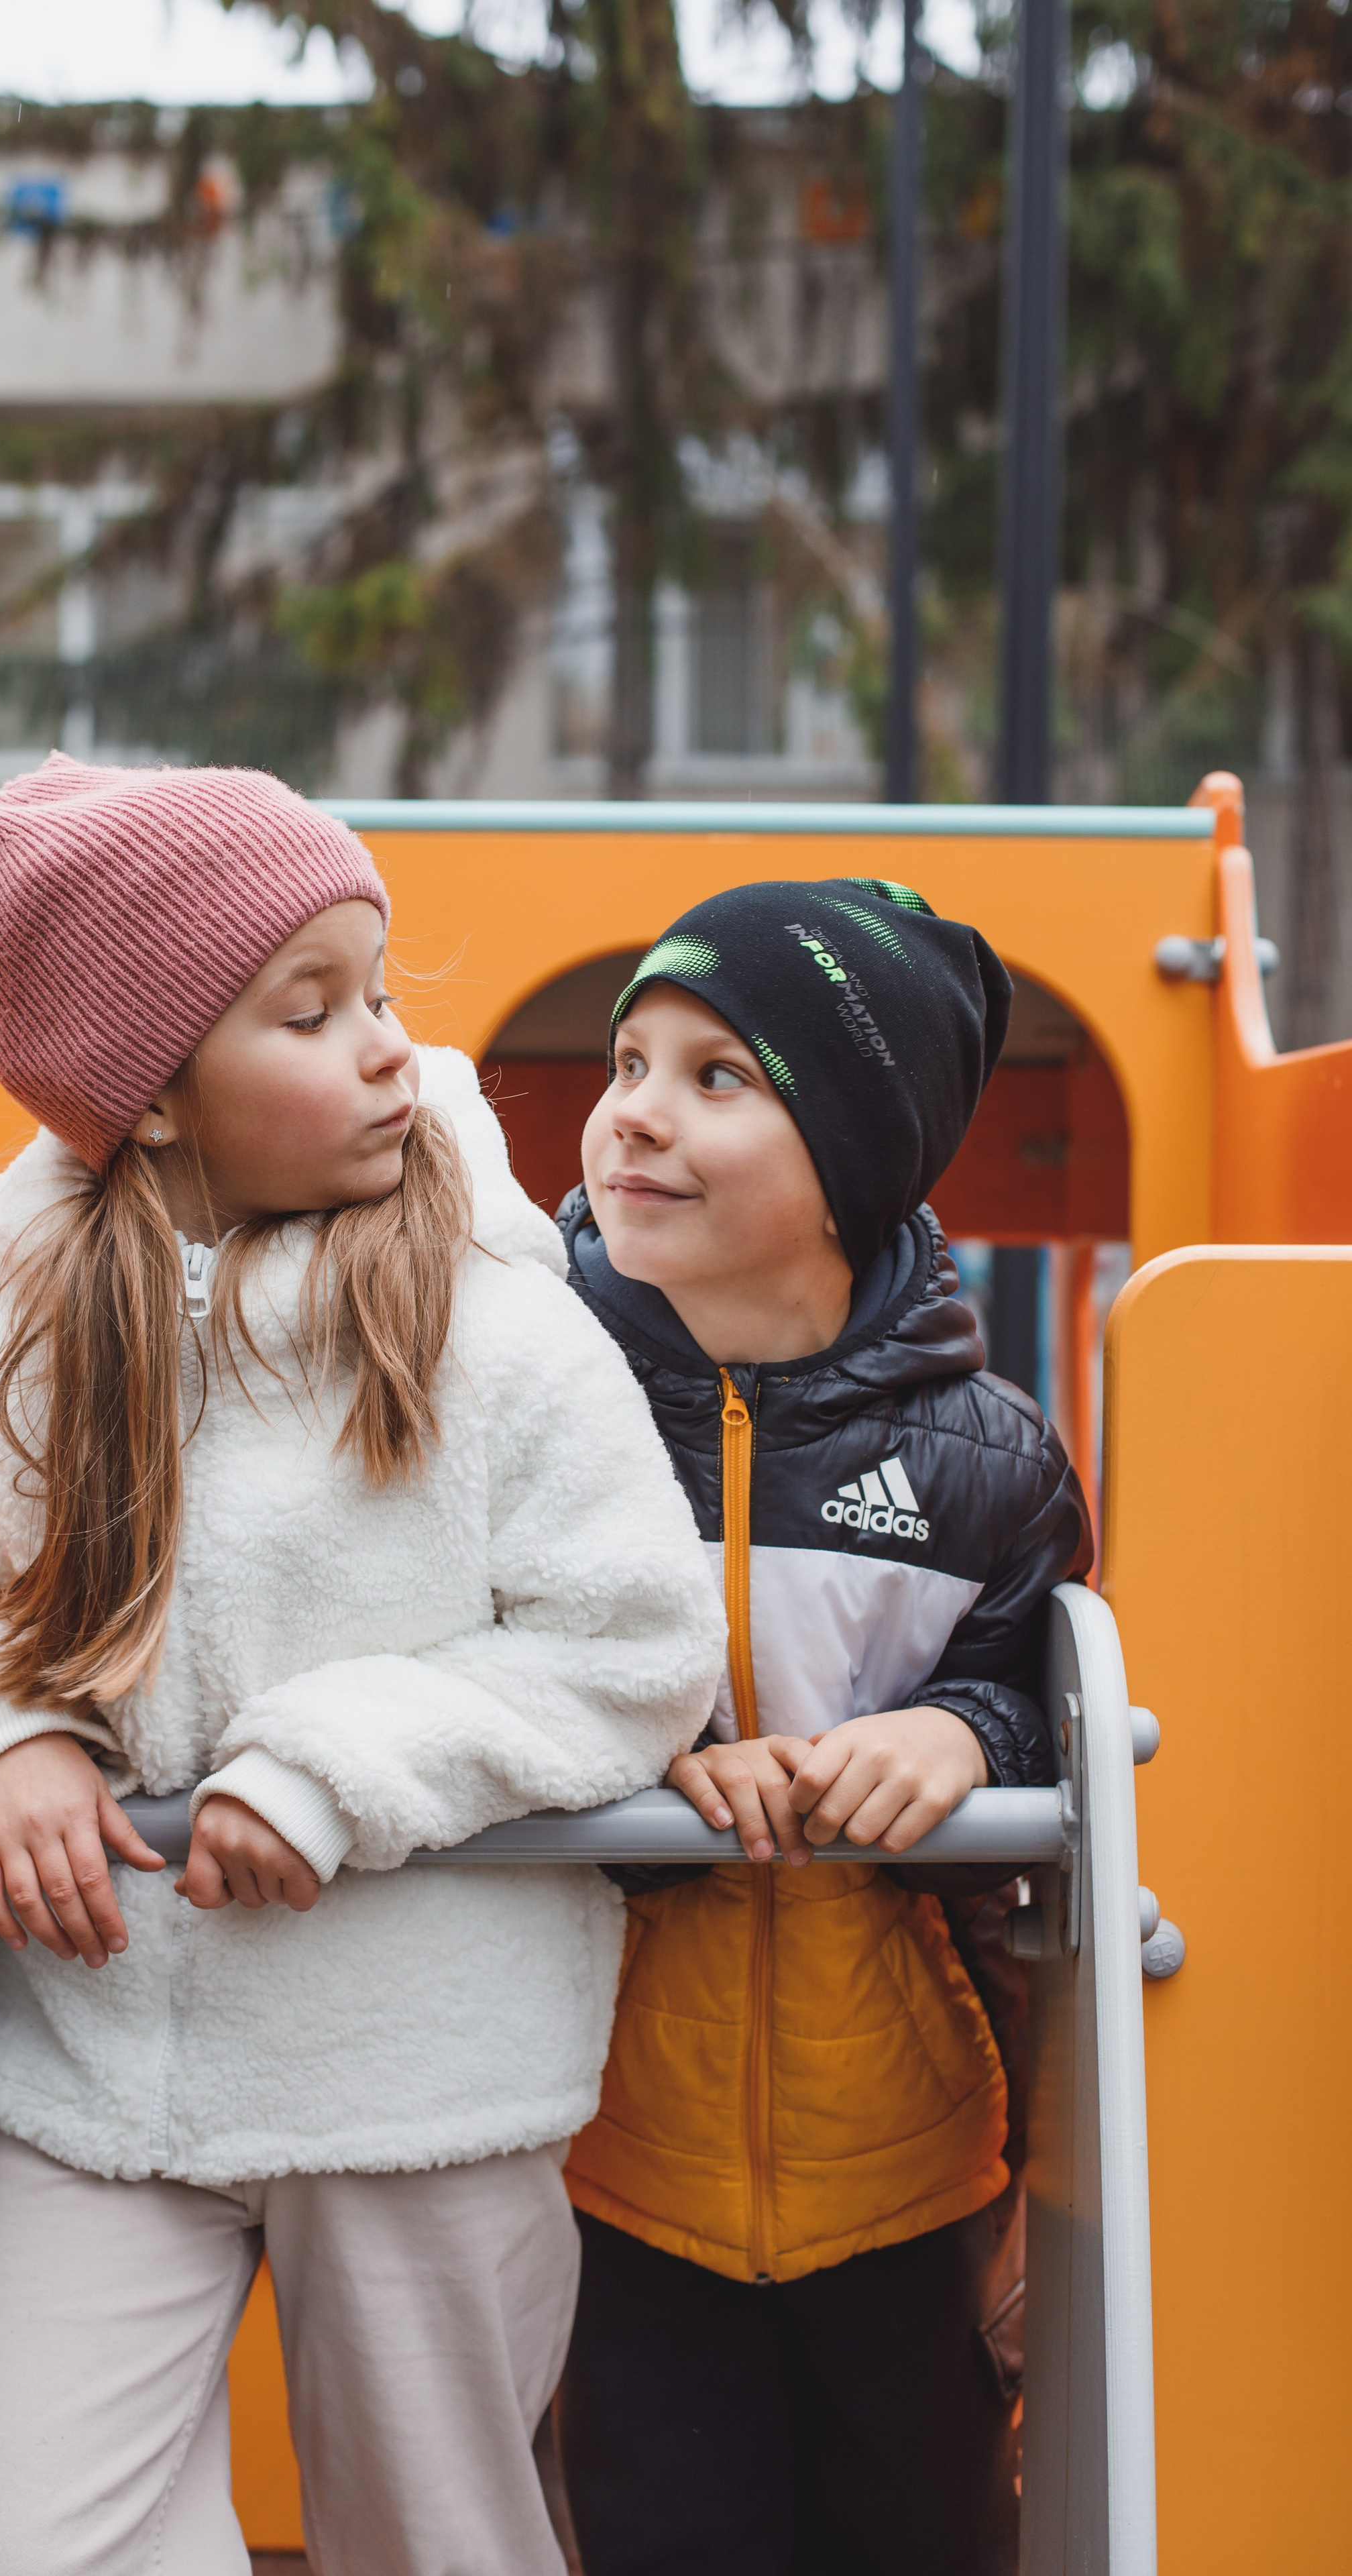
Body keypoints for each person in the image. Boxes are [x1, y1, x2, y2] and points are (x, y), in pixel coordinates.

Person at [0, 754, 725, 2576]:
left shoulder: (496, 1325)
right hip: (107, 2086)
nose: (386, 1051)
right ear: (157, 1100)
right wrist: (12, 1735)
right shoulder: (0, 1345)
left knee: (443, 2546)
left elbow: (640, 1648)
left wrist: (332, 1765)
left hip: (418, 2089)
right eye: (309, 1009)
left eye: (379, 994)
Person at [553, 879, 1094, 2576]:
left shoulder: (983, 1459)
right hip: (609, 2153)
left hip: (908, 2160)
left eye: (719, 1077)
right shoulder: (529, 1402)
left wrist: (967, 1737)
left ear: (855, 1162)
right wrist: (634, 1775)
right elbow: (461, 1665)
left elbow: (1032, 1681)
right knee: (665, 2530)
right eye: (629, 1057)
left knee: (921, 2528)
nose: (634, 1108)